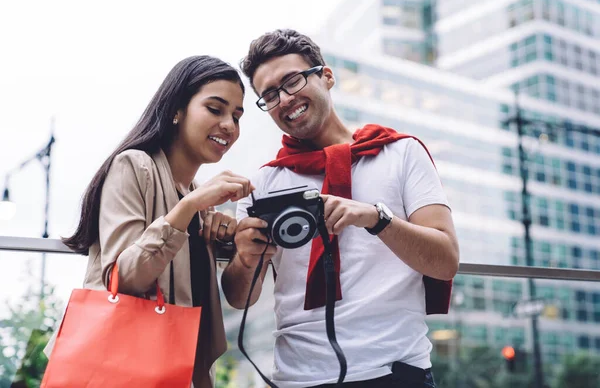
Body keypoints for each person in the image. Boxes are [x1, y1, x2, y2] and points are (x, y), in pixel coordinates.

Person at [221, 29, 460, 388]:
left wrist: (378, 219)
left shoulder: (401, 153)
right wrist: (245, 258)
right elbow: (239, 298)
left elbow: (445, 261)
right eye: (269, 95)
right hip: (298, 378)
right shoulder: (263, 184)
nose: (284, 99)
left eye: (292, 81)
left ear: (326, 76)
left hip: (394, 371)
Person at [46, 55, 253, 387]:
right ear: (176, 110)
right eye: (215, 109)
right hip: (126, 366)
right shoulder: (134, 166)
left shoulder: (199, 202)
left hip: (181, 371)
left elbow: (233, 300)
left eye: (237, 116)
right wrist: (188, 207)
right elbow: (121, 277)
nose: (229, 125)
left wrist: (240, 244)